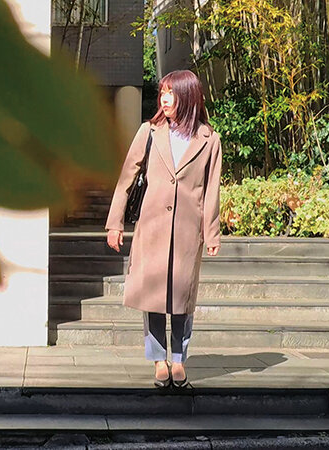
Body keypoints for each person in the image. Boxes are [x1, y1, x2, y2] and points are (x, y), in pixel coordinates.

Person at [104, 69, 222, 388]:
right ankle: (159, 360)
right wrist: (115, 223)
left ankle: (179, 359)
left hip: (188, 229)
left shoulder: (209, 139)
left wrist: (211, 232)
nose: (164, 99)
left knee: (182, 297)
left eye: (171, 93)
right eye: (162, 93)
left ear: (188, 96)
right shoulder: (150, 131)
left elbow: (212, 188)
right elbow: (127, 177)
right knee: (153, 296)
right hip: (152, 225)